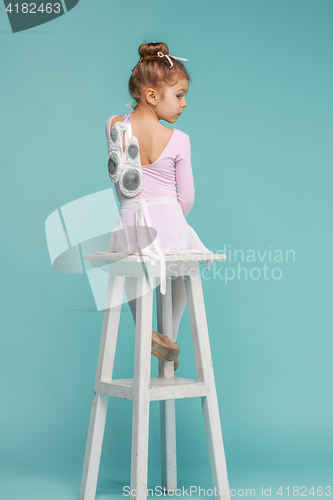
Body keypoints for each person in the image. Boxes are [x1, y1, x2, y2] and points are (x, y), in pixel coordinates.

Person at [98, 42, 213, 368]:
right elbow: (187, 197)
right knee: (182, 264)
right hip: (168, 221)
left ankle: (147, 331)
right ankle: (170, 336)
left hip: (129, 224)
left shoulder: (113, 126)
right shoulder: (179, 140)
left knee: (131, 264)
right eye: (179, 95)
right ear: (152, 96)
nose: (184, 103)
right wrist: (174, 221)